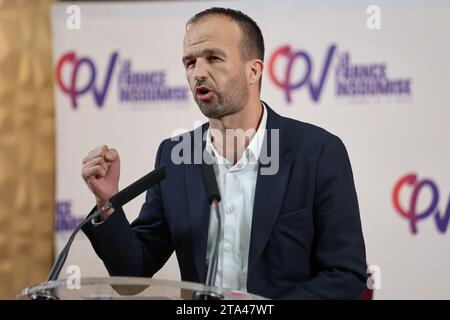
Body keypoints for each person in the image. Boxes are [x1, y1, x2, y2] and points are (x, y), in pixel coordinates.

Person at [81, 7, 367, 299]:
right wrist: (107, 202)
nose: (198, 73)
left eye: (213, 58)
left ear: (253, 70)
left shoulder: (318, 153)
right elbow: (132, 277)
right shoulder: (176, 155)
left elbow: (345, 274)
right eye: (189, 62)